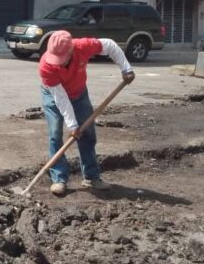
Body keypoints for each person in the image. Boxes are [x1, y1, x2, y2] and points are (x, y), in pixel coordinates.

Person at [39, 30, 135, 196]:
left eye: (62, 58)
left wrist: (126, 68)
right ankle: (59, 179)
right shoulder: (46, 66)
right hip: (54, 95)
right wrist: (73, 125)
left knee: (88, 133)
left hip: (79, 93)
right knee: (55, 134)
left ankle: (91, 177)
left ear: (71, 50)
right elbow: (61, 98)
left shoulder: (83, 46)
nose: (58, 63)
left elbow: (110, 45)